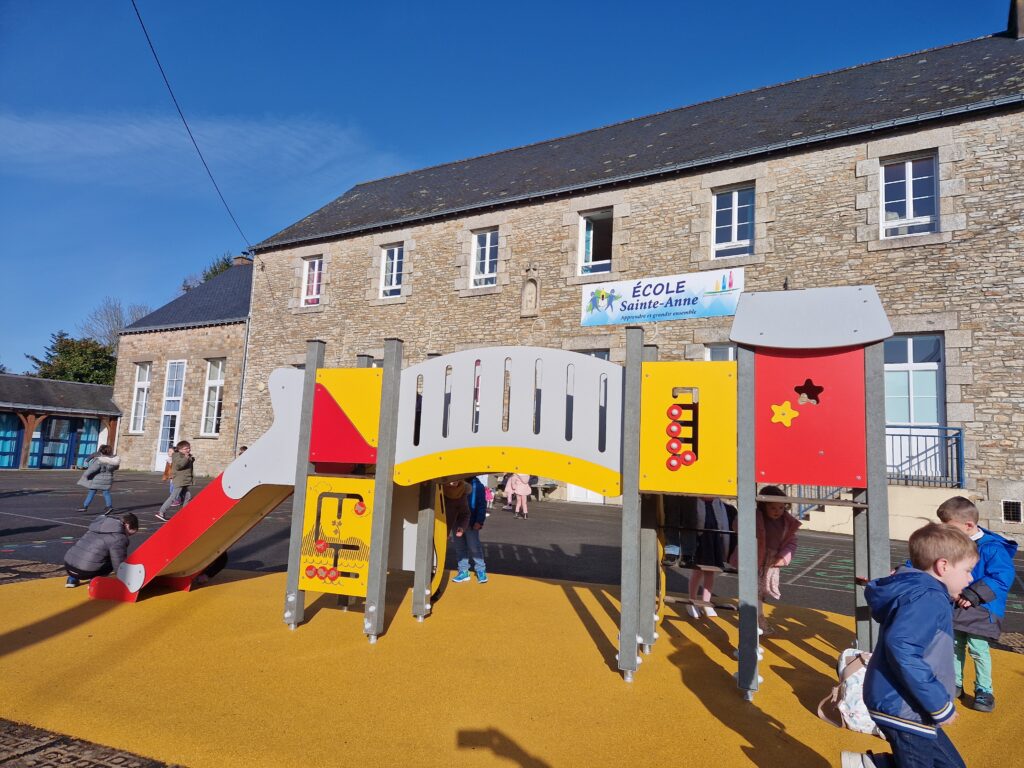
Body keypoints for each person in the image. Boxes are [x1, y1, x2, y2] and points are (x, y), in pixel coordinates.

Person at [842, 522, 977, 768]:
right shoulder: (928, 597)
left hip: (912, 704)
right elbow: (902, 646)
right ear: (943, 566)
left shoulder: (926, 593)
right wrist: (938, 703)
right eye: (968, 570)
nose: (970, 579)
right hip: (904, 705)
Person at [935, 495, 1017, 713]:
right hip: (957, 605)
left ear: (968, 525)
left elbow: (1002, 576)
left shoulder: (991, 548)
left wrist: (974, 594)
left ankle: (984, 690)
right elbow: (932, 559)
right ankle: (955, 684)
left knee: (979, 649)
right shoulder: (954, 543)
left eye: (949, 528)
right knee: (954, 645)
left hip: (982, 608)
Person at [735, 485, 801, 634]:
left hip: (771, 560)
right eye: (773, 508)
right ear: (763, 507)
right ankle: (757, 619)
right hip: (755, 557)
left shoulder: (786, 523)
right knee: (754, 590)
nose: (777, 511)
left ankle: (757, 617)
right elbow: (738, 526)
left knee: (763, 590)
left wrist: (783, 558)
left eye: (781, 508)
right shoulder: (757, 518)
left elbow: (791, 542)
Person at [64, 512, 139, 588]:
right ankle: (94, 581)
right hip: (86, 571)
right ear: (127, 525)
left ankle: (72, 579)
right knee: (111, 559)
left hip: (69, 566)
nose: (127, 536)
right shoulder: (119, 538)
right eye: (129, 534)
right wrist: (126, 579)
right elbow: (118, 564)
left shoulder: (95, 527)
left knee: (85, 551)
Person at [685, 496, 732, 618]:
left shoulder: (718, 503)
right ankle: (692, 600)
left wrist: (723, 540)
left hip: (714, 539)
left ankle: (706, 602)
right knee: (697, 571)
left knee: (710, 572)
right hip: (700, 540)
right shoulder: (695, 501)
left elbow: (723, 523)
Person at [450, 476, 489, 584]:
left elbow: (482, 505)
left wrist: (479, 521)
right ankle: (463, 571)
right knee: (460, 547)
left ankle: (480, 570)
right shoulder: (455, 483)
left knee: (474, 546)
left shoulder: (478, 486)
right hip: (456, 521)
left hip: (471, 522)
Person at [156, 441, 195, 522]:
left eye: (189, 448)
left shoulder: (185, 456)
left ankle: (184, 514)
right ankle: (161, 512)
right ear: (180, 450)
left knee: (187, 496)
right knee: (173, 497)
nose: (188, 450)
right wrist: (186, 458)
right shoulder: (177, 456)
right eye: (186, 449)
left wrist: (189, 458)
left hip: (184, 480)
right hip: (179, 480)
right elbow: (179, 466)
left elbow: (188, 463)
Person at [75, 445, 120, 514]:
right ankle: (109, 506)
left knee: (91, 492)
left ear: (101, 452)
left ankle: (85, 506)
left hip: (97, 479)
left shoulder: (99, 460)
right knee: (106, 492)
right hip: (108, 478)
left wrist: (85, 475)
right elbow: (115, 468)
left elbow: (92, 469)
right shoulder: (114, 461)